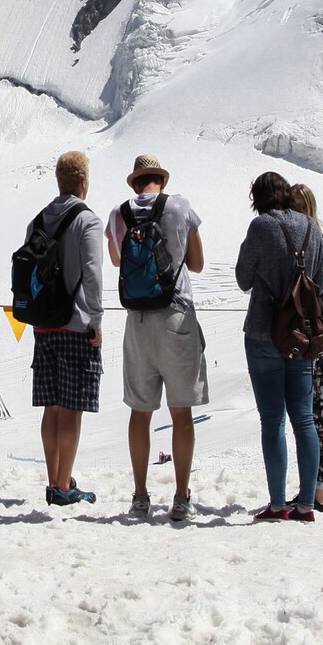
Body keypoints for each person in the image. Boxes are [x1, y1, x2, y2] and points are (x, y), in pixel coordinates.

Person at [104, 154, 207, 524]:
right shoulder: (179, 207)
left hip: (138, 321)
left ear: (134, 183)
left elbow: (117, 263)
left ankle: (140, 496)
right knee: (181, 413)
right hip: (176, 314)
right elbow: (195, 263)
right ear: (160, 180)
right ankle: (180, 497)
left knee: (140, 412)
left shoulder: (118, 214)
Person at [234, 169, 323, 523]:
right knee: (303, 418)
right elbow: (316, 281)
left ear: (257, 199)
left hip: (263, 331)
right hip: (302, 333)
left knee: (272, 420)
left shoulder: (261, 227)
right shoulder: (312, 228)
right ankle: (306, 504)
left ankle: (277, 503)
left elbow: (244, 279)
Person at [30, 151, 108, 506]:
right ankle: (64, 485)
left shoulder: (37, 221)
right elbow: (92, 273)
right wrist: (96, 319)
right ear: (83, 183)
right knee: (72, 406)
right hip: (75, 323)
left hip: (43, 324)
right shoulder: (87, 221)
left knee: (52, 406)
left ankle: (53, 479)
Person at [286, 182, 323, 512]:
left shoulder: (322, 246)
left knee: (320, 420)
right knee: (310, 420)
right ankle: (312, 490)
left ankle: (319, 493)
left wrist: (307, 307)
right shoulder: (300, 247)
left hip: (319, 345)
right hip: (306, 344)